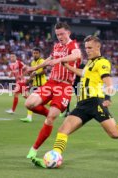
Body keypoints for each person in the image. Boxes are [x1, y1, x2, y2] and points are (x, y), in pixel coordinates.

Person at [31, 35, 118, 168]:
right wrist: (68, 67)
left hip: (95, 102)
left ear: (98, 47)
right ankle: (54, 157)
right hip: (82, 105)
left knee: (115, 134)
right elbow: (83, 73)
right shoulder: (90, 62)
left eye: (90, 48)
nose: (87, 50)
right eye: (86, 48)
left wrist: (107, 97)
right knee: (63, 130)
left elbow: (108, 81)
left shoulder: (103, 62)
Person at [24, 22, 81, 159]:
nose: (60, 36)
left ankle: (34, 149)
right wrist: (33, 68)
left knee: (51, 118)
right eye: (57, 35)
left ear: (69, 32)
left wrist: (59, 60)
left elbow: (76, 55)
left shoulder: (73, 45)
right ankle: (48, 112)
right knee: (29, 104)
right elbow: (48, 60)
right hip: (51, 83)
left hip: (64, 86)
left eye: (62, 34)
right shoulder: (56, 46)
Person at [20, 48, 47, 122]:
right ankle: (29, 117)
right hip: (35, 85)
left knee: (46, 101)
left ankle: (58, 109)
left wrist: (36, 73)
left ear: (39, 54)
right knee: (30, 100)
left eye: (36, 53)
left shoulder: (42, 61)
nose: (35, 54)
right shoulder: (32, 63)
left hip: (42, 85)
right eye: (34, 53)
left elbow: (45, 71)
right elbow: (32, 74)